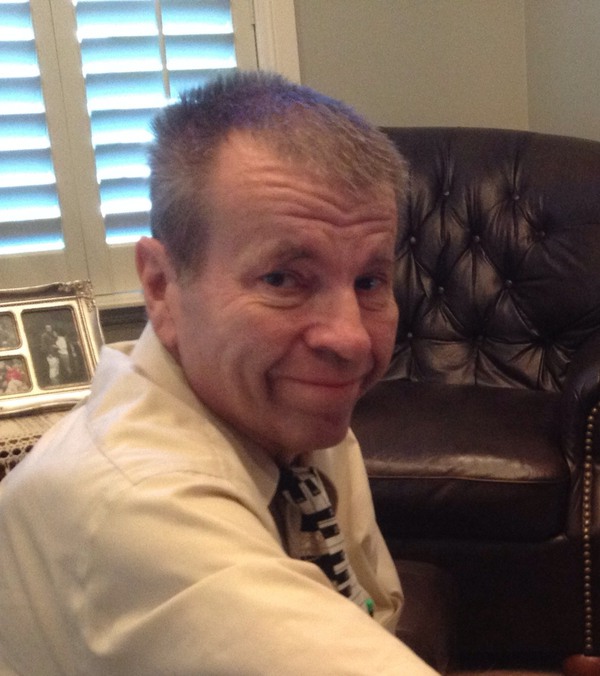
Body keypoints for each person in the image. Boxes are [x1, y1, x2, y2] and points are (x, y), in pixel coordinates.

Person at [0, 71, 438, 675]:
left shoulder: (287, 412)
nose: (351, 339)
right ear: (161, 286)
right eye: (282, 278)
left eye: (369, 281)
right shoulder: (137, 508)